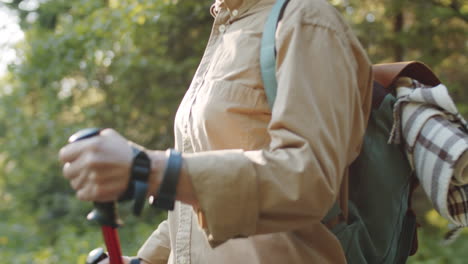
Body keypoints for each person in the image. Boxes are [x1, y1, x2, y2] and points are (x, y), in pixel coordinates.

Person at [59, 0, 373, 263]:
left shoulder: (306, 20)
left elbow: (309, 180)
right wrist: (146, 260)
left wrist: (150, 168)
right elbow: (198, 197)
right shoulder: (230, 29)